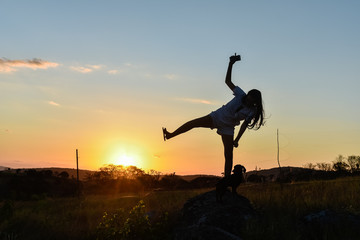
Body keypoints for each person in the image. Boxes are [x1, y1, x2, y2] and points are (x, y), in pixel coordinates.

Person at [162, 54, 265, 177]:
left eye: (251, 100)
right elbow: (227, 81)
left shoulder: (252, 111)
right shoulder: (240, 94)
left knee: (228, 154)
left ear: (255, 102)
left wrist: (237, 140)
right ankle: (170, 135)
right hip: (217, 117)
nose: (248, 101)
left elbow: (243, 126)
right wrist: (231, 64)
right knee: (194, 123)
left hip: (228, 127)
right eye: (248, 98)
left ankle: (227, 179)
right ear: (247, 95)